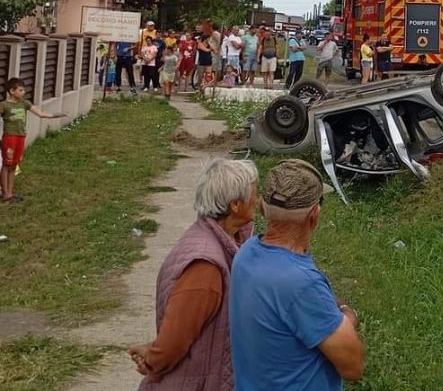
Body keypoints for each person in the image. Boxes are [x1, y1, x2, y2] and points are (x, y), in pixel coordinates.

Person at [229, 160, 364, 390]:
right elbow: (353, 366)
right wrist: (346, 316)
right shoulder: (301, 284)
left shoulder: (247, 252)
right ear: (314, 214)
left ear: (262, 207)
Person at [127, 159, 258, 389]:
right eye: (255, 193)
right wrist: (153, 358)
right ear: (235, 205)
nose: (258, 199)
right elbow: (175, 339)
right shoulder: (205, 267)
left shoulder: (230, 241)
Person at [0, 78, 66, 203]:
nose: (23, 92)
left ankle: (10, 192)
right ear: (12, 91)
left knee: (14, 165)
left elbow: (41, 114)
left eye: (23, 89)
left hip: (21, 137)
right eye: (20, 90)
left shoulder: (25, 104)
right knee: (6, 164)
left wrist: (57, 115)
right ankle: (5, 194)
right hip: (9, 137)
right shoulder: (4, 105)